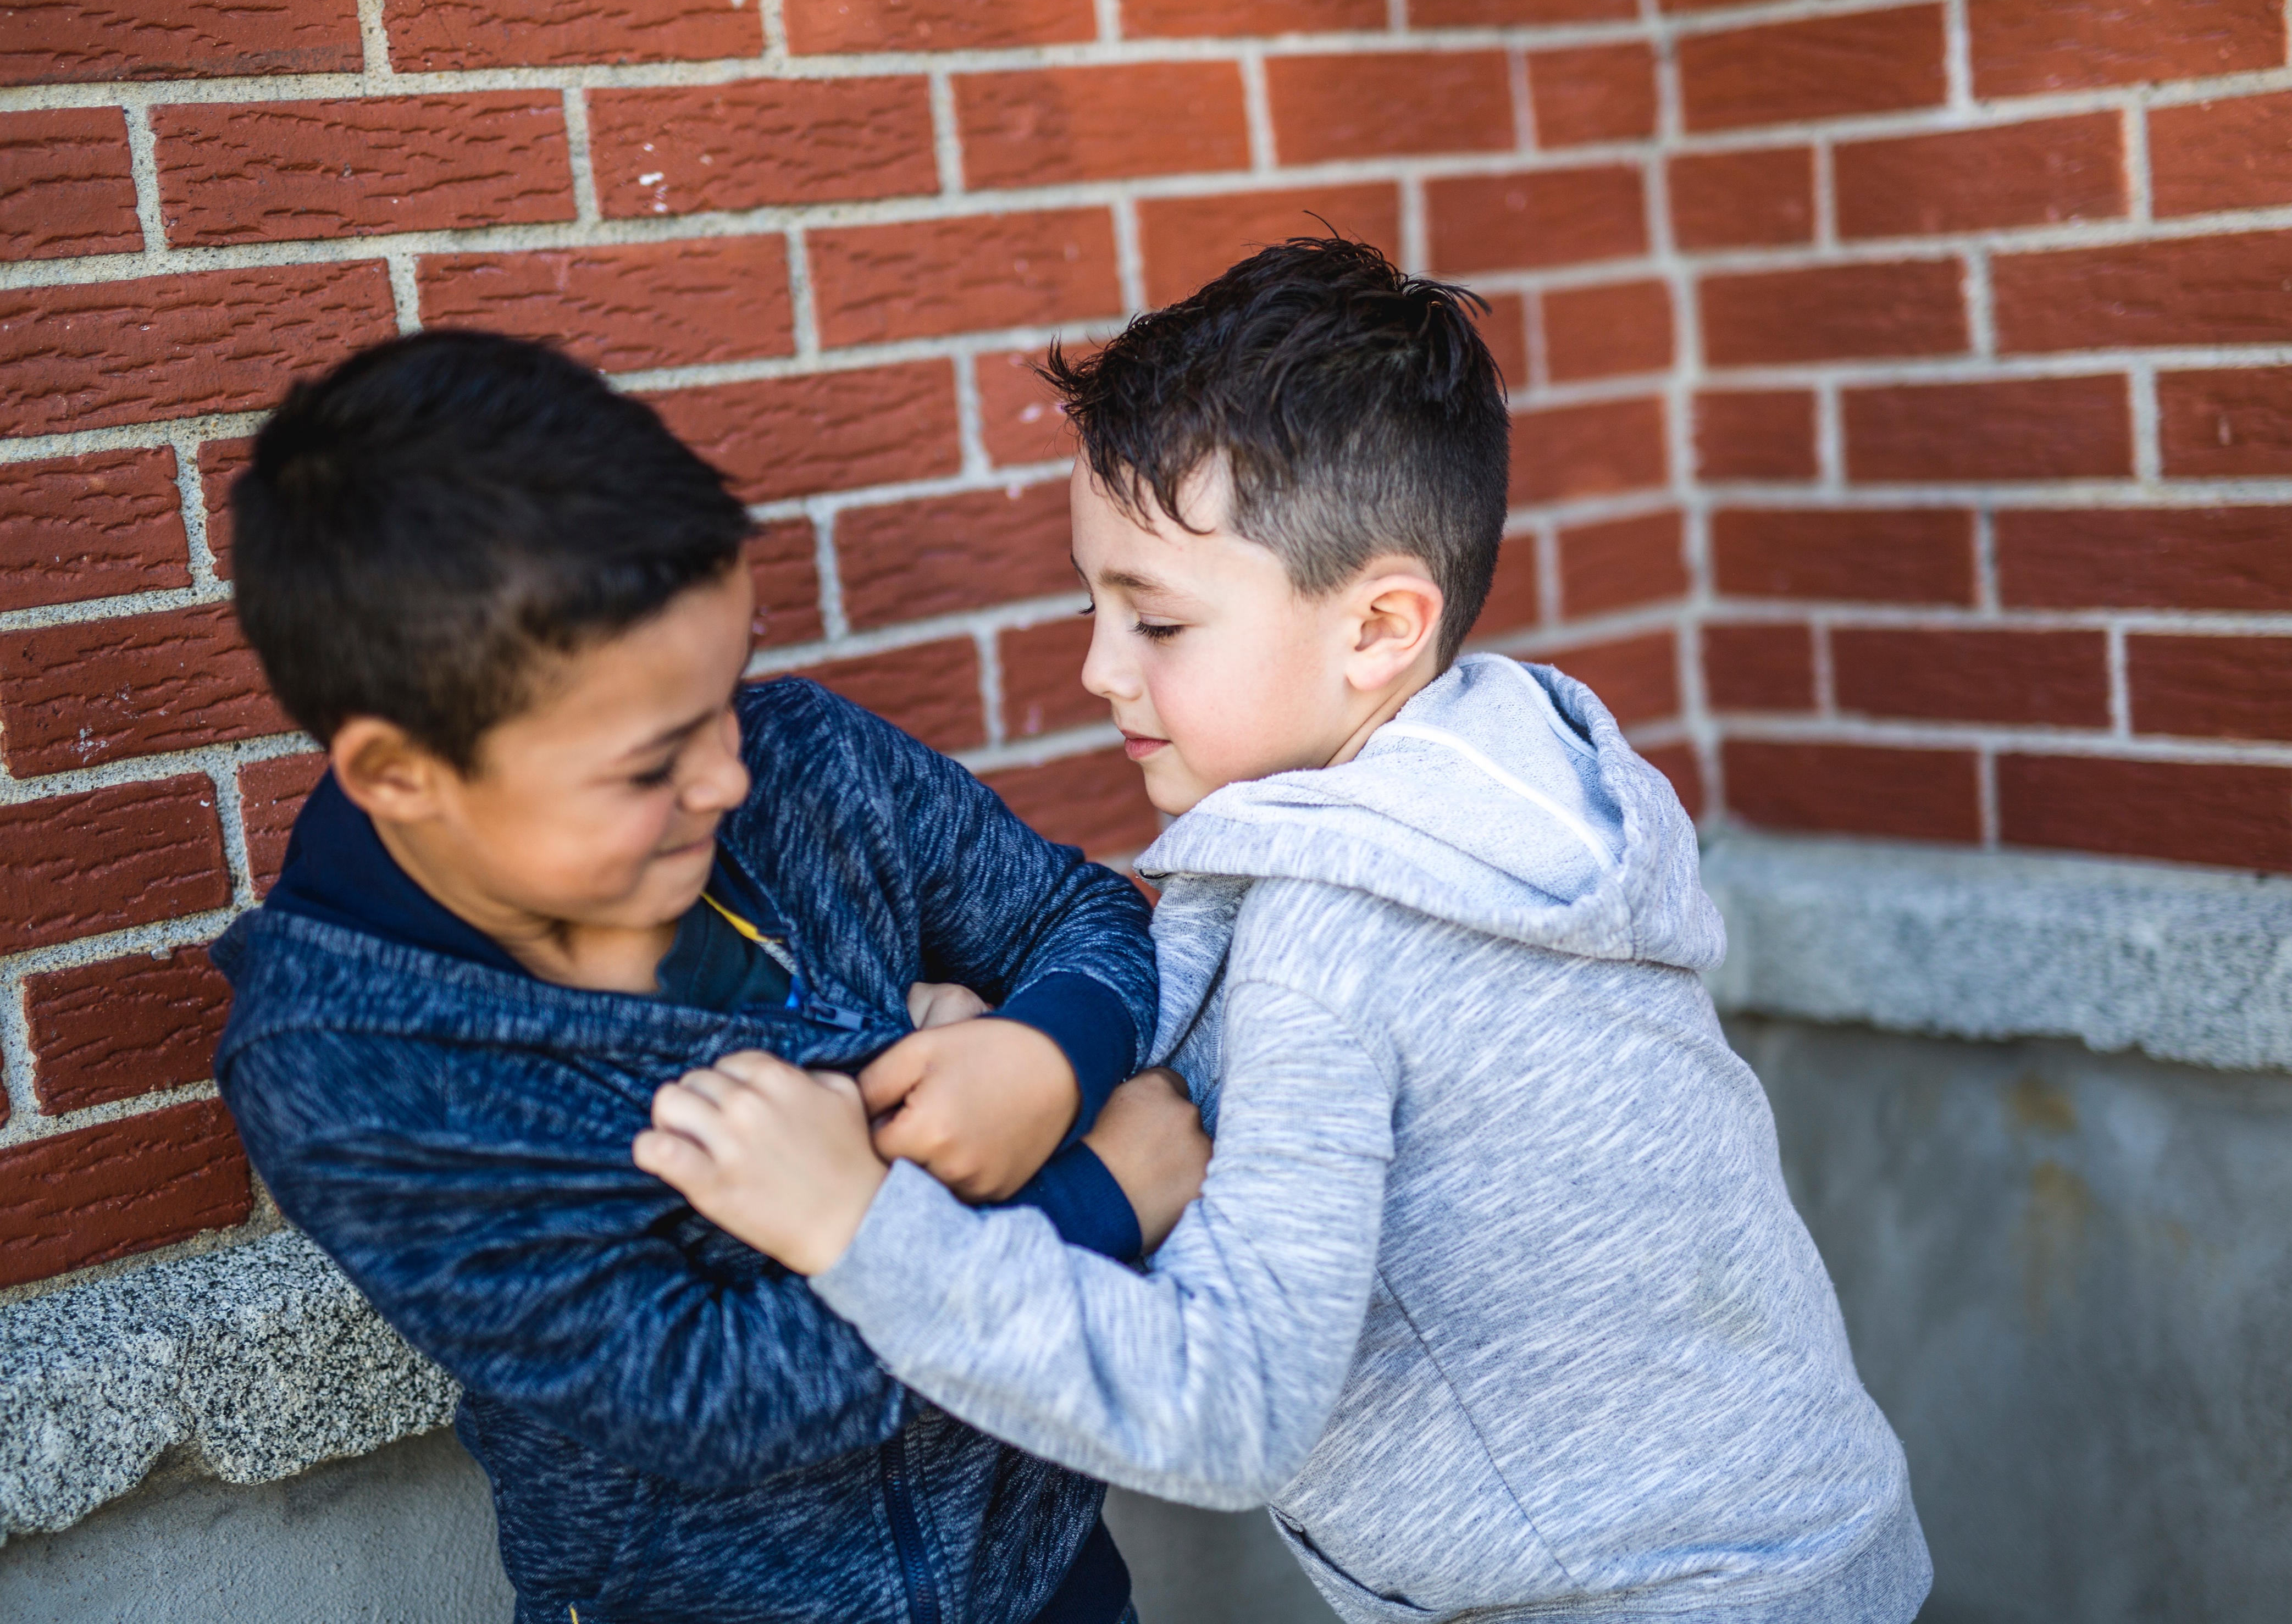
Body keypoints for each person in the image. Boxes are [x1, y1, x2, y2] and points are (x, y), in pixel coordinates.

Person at [637, 239, 1933, 1624]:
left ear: (1379, 626)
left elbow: (1232, 1405)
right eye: (1096, 604)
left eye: (1158, 621)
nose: (1097, 666)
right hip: (1797, 1541)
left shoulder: (1339, 930)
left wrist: (860, 1227)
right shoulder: (1511, 793)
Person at [209, 330, 1209, 1624]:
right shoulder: (347, 1060)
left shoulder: (808, 767)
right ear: (404, 776)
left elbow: (1076, 912)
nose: (729, 777)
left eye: (725, 696)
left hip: (1047, 1567)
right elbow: (709, 1393)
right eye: (649, 762)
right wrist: (1091, 1200)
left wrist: (1048, 1055)